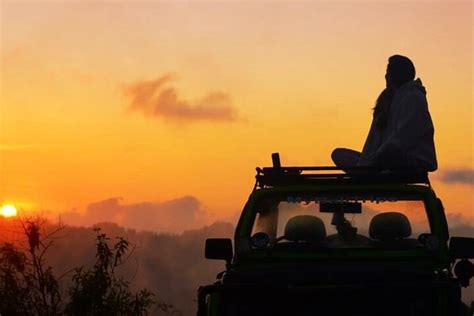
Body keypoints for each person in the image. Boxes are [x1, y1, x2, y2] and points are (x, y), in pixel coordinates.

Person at [332, 55, 437, 173]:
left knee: (390, 153)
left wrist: (374, 160)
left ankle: (368, 172)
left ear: (398, 73)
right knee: (338, 154)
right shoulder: (387, 99)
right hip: (382, 159)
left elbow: (402, 139)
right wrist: (366, 162)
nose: (386, 76)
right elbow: (372, 142)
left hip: (408, 161)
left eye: (388, 72)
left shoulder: (413, 98)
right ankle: (367, 172)